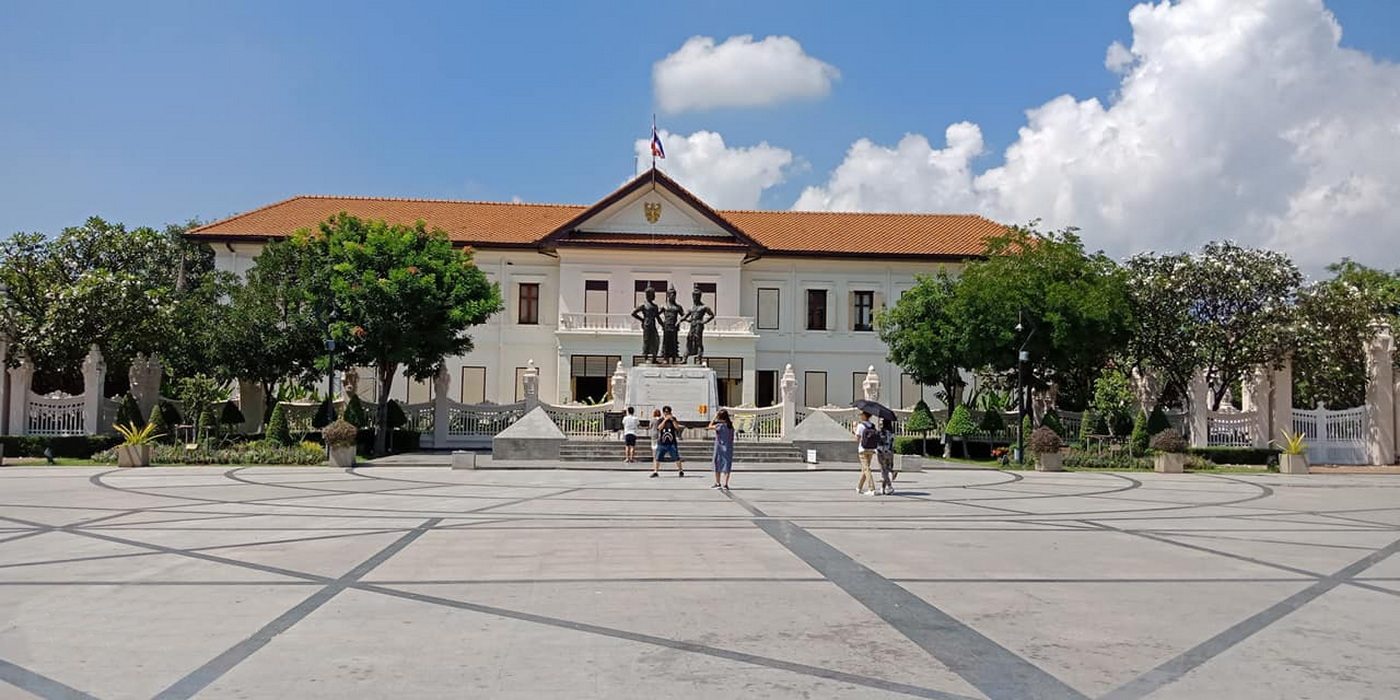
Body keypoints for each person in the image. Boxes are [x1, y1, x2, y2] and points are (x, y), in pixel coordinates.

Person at [650, 405, 685, 478]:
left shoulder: (673, 419)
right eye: (665, 412)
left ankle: (680, 470)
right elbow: (659, 428)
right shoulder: (660, 420)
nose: (667, 413)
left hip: (672, 442)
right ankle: (655, 471)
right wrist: (665, 420)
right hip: (662, 442)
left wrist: (672, 420)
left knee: (676, 457)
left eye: (668, 412)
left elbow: (677, 427)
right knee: (657, 457)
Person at [708, 409, 735, 490]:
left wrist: (714, 418)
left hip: (719, 448)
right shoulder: (730, 426)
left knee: (717, 464)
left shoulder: (720, 426)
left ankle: (718, 482)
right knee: (727, 465)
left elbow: (709, 426)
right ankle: (726, 484)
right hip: (728, 448)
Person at [853, 411, 878, 495]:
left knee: (866, 469)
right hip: (871, 449)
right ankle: (859, 487)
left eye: (861, 415)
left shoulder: (860, 425)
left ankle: (872, 489)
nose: (860, 416)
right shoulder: (872, 425)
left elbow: (857, 439)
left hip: (862, 449)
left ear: (864, 416)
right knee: (865, 469)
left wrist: (854, 430)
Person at [877, 417, 897, 495]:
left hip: (882, 452)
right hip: (890, 453)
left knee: (883, 470)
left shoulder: (882, 432)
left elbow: (879, 443)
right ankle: (883, 488)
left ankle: (889, 486)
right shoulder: (892, 433)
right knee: (886, 471)